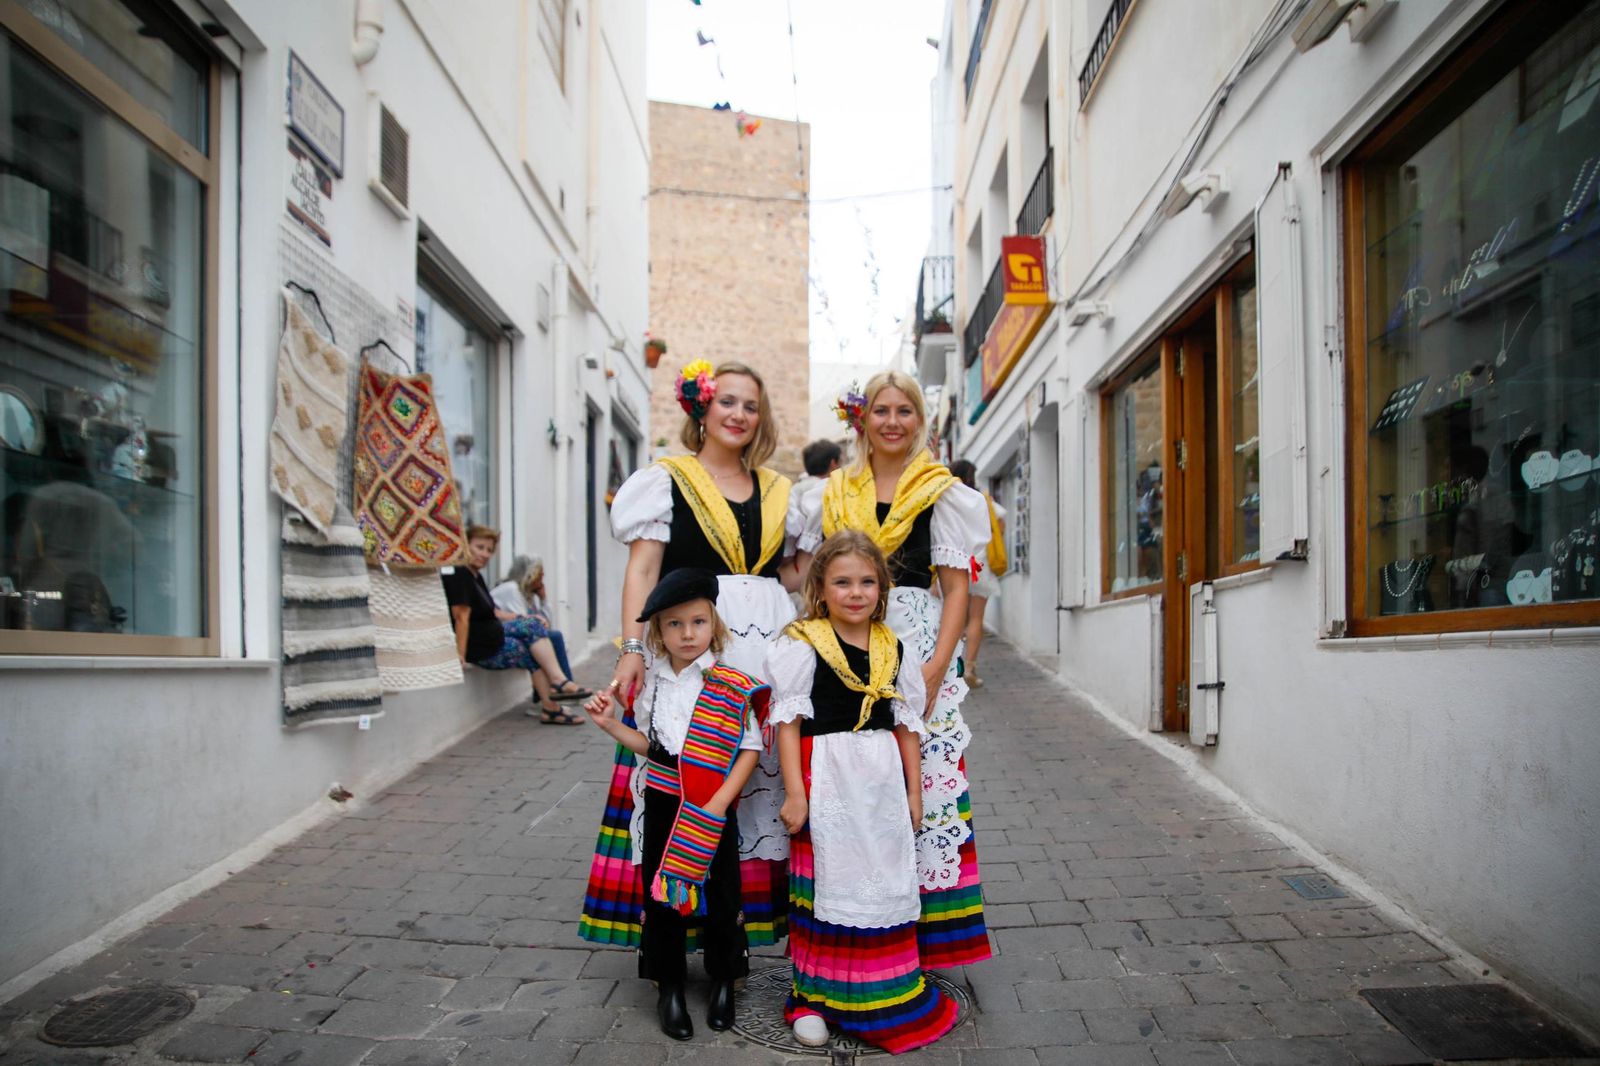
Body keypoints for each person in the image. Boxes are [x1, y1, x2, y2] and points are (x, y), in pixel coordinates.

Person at [579, 360, 797, 952]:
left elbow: (793, 571)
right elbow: (643, 569)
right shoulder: (667, 479)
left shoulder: (779, 491)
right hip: (687, 644)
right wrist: (630, 650)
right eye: (727, 401)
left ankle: (735, 933)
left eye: (750, 406)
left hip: (763, 648)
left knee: (749, 783)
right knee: (682, 774)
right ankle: (674, 937)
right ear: (702, 408)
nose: (739, 415)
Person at [795, 369, 993, 969]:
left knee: (921, 787)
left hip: (914, 638)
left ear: (919, 420)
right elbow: (809, 576)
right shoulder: (833, 491)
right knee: (854, 780)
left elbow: (955, 590)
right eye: (881, 410)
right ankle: (856, 927)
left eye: (904, 410)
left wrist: (936, 668)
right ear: (863, 419)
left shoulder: (940, 490)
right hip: (848, 647)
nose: (892, 422)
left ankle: (926, 938)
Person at [769, 531, 959, 1052]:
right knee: (826, 884)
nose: (856, 592)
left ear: (883, 588)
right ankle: (814, 998)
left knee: (880, 877)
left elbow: (906, 725)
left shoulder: (893, 646)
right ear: (821, 588)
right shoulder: (803, 642)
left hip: (879, 782)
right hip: (825, 776)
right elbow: (787, 721)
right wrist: (794, 793)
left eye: (867, 581)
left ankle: (885, 989)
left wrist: (915, 794)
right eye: (842, 582)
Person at [583, 568, 768, 1040]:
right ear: (658, 634)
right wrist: (609, 726)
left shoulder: (730, 684)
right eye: (674, 625)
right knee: (662, 895)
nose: (688, 633)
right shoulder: (656, 685)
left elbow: (749, 748)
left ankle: (724, 979)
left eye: (698, 622)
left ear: (715, 625)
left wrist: (720, 802)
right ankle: (669, 985)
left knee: (724, 894)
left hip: (713, 803)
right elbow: (649, 745)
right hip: (664, 802)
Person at [441, 526, 591, 724]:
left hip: (493, 637)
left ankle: (551, 708)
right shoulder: (458, 574)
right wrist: (460, 655)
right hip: (480, 646)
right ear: (465, 545)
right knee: (533, 628)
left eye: (489, 550)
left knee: (531, 642)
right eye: (479, 547)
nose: (485, 554)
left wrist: (517, 616)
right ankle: (558, 683)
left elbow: (492, 611)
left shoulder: (473, 574)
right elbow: (461, 617)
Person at [491, 554, 576, 712]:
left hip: (521, 632)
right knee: (553, 637)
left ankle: (556, 690)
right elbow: (527, 625)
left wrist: (544, 599)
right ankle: (561, 687)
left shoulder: (530, 594)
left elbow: (546, 624)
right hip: (505, 632)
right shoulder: (511, 589)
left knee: (553, 636)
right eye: (540, 575)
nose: (541, 580)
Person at [949, 460, 1005, 689]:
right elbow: (1001, 522)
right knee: (976, 618)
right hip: (980, 561)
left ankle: (953, 667)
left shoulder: (948, 498)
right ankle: (970, 667)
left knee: (954, 617)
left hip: (954, 561)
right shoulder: (982, 499)